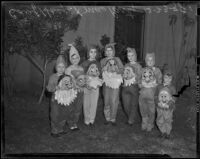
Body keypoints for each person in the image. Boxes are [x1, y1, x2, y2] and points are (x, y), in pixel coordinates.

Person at [100, 43, 124, 126]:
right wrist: (103, 70)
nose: (109, 52)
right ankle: (107, 118)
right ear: (105, 52)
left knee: (114, 100)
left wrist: (115, 70)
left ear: (113, 51)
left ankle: (113, 118)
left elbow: (122, 70)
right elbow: (99, 72)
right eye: (107, 50)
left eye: (110, 50)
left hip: (115, 83)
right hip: (106, 83)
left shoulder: (117, 59)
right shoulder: (102, 61)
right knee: (106, 100)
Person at [46, 55, 70, 137]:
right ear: (56, 67)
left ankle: (60, 129)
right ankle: (54, 131)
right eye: (59, 67)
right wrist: (55, 87)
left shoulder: (67, 77)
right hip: (55, 100)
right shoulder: (52, 77)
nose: (61, 68)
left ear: (65, 68)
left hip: (64, 100)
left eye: (63, 67)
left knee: (63, 114)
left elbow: (70, 85)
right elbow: (49, 88)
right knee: (55, 115)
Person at [65, 44, 85, 130]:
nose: (75, 60)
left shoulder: (81, 69)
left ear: (79, 58)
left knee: (78, 107)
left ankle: (75, 122)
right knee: (71, 107)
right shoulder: (68, 69)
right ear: (70, 59)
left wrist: (83, 85)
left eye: (76, 58)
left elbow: (83, 80)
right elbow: (67, 81)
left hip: (80, 91)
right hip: (71, 91)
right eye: (73, 58)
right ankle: (70, 123)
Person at [81, 45, 102, 126]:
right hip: (86, 86)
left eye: (94, 52)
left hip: (95, 86)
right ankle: (86, 118)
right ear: (88, 53)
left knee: (94, 103)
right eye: (91, 52)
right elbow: (81, 76)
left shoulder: (98, 63)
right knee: (86, 103)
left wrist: (97, 84)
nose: (93, 54)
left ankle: (92, 119)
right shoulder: (84, 63)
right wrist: (86, 84)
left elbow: (100, 75)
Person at [121, 48, 142, 126]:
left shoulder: (138, 66)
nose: (130, 57)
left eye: (132, 55)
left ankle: (131, 120)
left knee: (133, 104)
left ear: (135, 55)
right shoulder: (126, 65)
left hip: (134, 88)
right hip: (125, 88)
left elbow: (140, 77)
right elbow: (123, 75)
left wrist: (134, 78)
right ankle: (131, 116)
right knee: (125, 105)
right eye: (128, 56)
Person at [155, 70, 177, 139]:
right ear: (163, 78)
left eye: (170, 78)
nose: (167, 80)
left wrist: (169, 104)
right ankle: (162, 131)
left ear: (172, 79)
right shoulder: (159, 86)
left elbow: (174, 97)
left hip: (168, 108)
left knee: (168, 120)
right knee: (160, 120)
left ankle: (168, 132)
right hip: (160, 107)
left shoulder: (172, 88)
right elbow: (155, 96)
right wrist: (158, 102)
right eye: (166, 78)